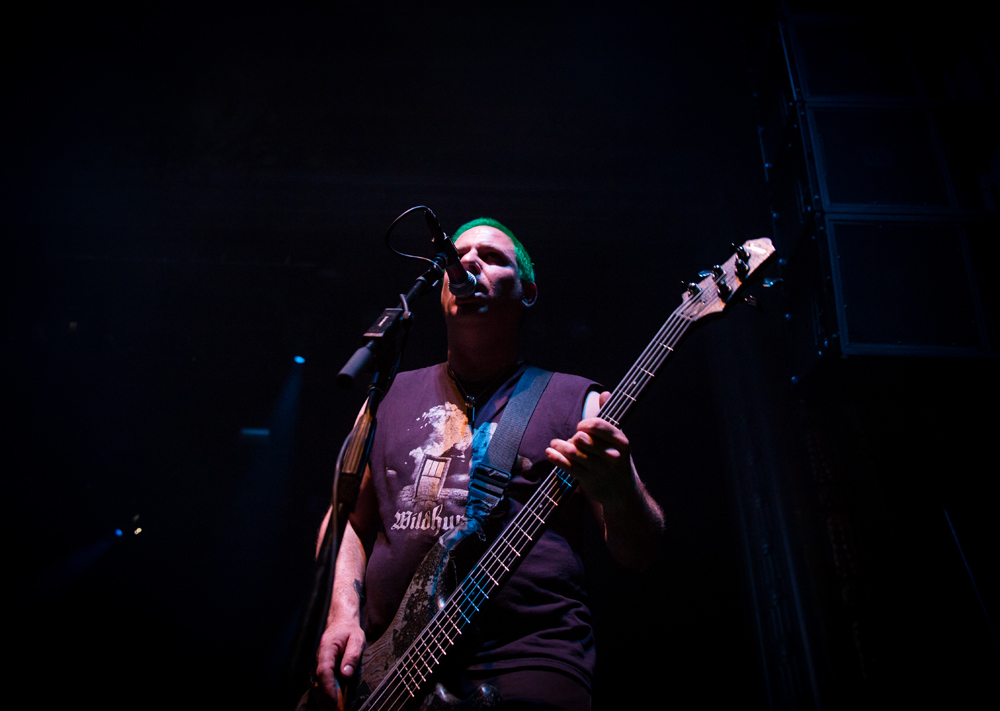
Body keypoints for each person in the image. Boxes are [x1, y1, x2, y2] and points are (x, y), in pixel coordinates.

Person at [315, 218, 664, 709]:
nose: (469, 262)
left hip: (530, 661)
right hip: (388, 676)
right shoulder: (388, 395)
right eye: (458, 256)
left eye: (494, 257)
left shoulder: (573, 398)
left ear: (528, 292)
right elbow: (348, 519)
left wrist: (620, 485)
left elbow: (638, 551)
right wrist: (342, 614)